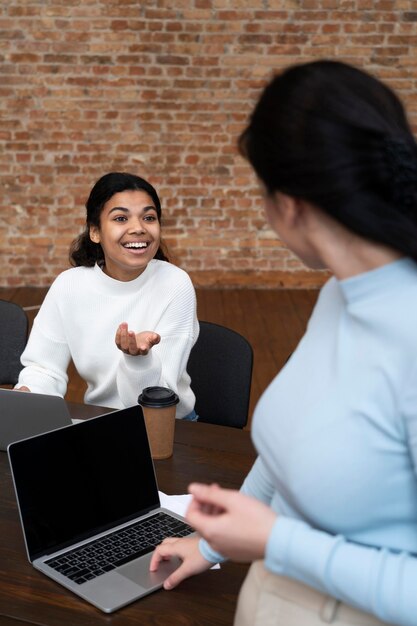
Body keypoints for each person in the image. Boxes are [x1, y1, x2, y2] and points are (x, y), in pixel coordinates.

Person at [150, 60, 417, 626]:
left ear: (289, 204)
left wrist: (275, 540)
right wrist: (215, 543)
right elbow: (289, 448)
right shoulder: (339, 295)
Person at [16, 172, 199, 419]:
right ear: (95, 232)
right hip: (101, 420)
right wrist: (30, 393)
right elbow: (43, 368)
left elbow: (158, 400)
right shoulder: (68, 286)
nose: (138, 228)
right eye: (121, 218)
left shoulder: (175, 284)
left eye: (149, 217)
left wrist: (139, 360)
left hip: (170, 425)